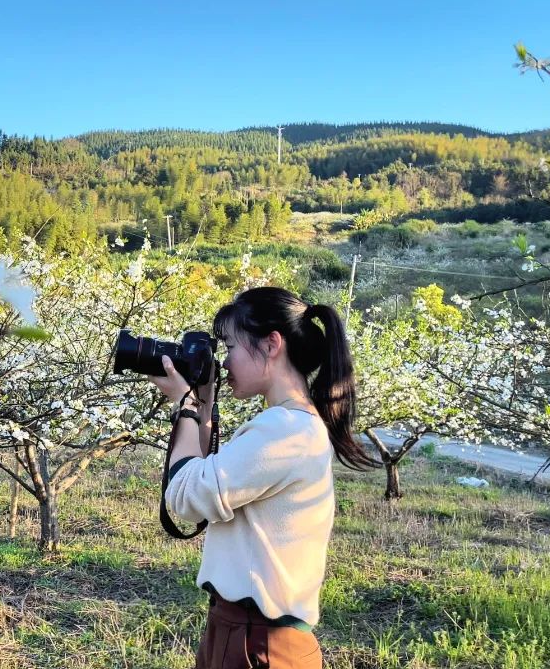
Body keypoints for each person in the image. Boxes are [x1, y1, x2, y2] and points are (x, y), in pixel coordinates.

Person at [149, 286, 379, 669]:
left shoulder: (286, 430)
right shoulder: (289, 424)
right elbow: (203, 477)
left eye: (231, 348)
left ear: (272, 344)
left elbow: (187, 498)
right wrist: (201, 408)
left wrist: (185, 406)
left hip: (256, 641)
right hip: (245, 632)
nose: (223, 364)